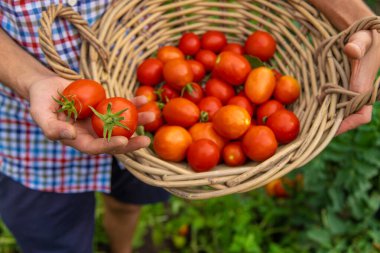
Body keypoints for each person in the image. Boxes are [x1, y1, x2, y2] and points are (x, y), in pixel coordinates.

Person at [0, 0, 378, 253]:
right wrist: (30, 78)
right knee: (53, 239)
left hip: (137, 104)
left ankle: (122, 248)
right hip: (28, 129)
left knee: (131, 202)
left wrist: (356, 17)